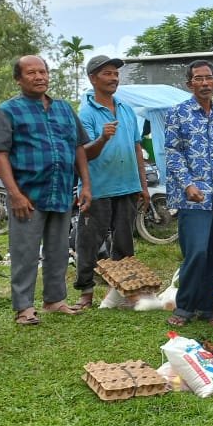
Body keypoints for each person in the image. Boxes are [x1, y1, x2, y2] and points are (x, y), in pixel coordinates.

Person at [0, 55, 92, 325]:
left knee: (58, 249)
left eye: (42, 72)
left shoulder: (64, 109)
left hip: (61, 191)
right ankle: (24, 307)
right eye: (31, 73)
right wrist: (14, 194)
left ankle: (54, 301)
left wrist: (86, 184)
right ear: (18, 79)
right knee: (25, 252)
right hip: (27, 195)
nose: (39, 77)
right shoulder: (7, 111)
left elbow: (78, 147)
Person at [164, 59, 213, 327]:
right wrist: (187, 184)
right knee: (196, 252)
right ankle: (184, 307)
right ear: (190, 84)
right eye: (199, 78)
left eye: (209, 78)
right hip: (193, 197)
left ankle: (206, 309)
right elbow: (173, 153)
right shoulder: (178, 113)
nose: (205, 83)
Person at [75, 55, 149, 309]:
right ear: (93, 79)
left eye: (116, 74)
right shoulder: (85, 112)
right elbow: (83, 153)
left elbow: (137, 147)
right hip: (98, 188)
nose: (114, 78)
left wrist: (143, 185)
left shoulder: (126, 109)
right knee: (89, 242)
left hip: (127, 185)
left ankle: (123, 292)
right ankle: (85, 292)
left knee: (124, 242)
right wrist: (103, 138)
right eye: (107, 73)